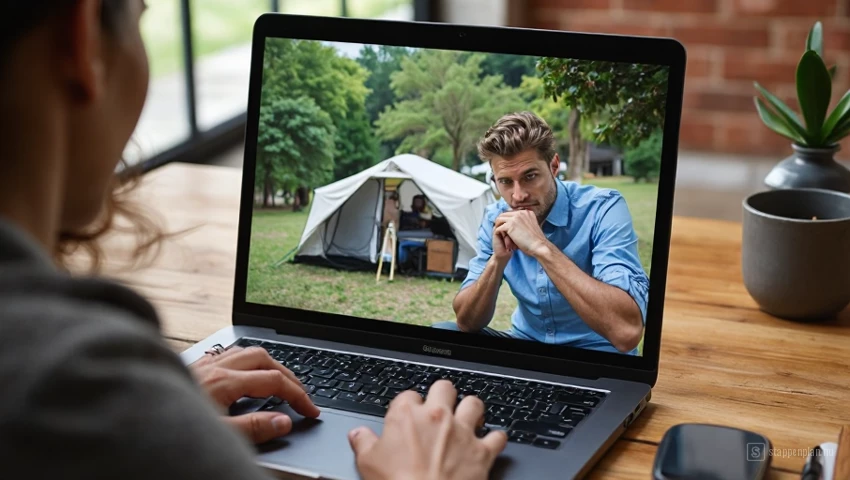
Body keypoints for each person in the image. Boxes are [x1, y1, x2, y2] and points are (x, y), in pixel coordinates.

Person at [0, 1, 506, 479]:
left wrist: (169, 405)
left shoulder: (83, 392)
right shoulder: (80, 389)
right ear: (84, 37)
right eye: (141, 14)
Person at [436, 112, 648, 355]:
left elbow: (626, 332)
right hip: (525, 349)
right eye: (505, 182)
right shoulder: (496, 217)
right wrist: (497, 261)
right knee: (444, 334)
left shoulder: (603, 208)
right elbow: (466, 322)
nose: (518, 196)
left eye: (530, 176)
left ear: (554, 166)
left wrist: (541, 248)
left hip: (597, 356)